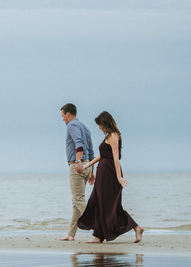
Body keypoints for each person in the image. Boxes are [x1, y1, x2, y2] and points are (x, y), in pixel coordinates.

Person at [77, 111, 144, 243]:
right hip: (103, 173)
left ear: (105, 122)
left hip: (110, 174)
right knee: (98, 202)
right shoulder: (108, 136)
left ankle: (135, 227)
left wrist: (118, 177)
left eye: (100, 124)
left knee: (109, 205)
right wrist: (87, 165)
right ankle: (99, 235)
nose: (99, 128)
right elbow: (102, 154)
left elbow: (115, 158)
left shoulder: (114, 136)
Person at [59, 103, 95, 241]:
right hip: (87, 165)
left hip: (78, 165)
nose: (63, 119)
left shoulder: (72, 125)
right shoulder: (85, 127)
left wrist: (78, 162)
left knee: (78, 200)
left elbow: (78, 143)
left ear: (68, 114)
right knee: (76, 201)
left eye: (63, 116)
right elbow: (91, 149)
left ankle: (98, 226)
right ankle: (71, 234)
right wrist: (91, 170)